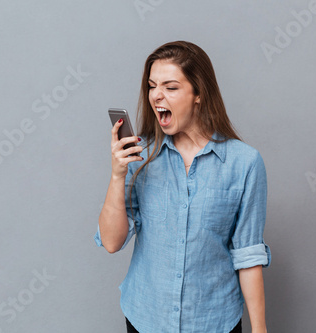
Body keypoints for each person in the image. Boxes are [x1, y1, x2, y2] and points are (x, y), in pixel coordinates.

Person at [95, 41, 271, 333]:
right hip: (146, 317)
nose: (157, 96)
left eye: (171, 87)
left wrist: (260, 329)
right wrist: (117, 176)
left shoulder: (245, 163)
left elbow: (248, 255)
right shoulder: (140, 158)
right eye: (152, 86)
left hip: (215, 321)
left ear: (199, 94)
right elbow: (112, 243)